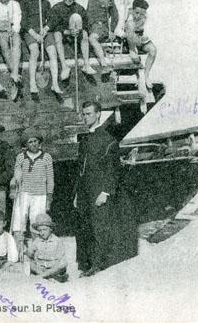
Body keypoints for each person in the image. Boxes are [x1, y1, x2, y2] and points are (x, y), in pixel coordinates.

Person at [75, 100, 124, 276]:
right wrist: (76, 193)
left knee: (99, 227)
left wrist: (105, 192)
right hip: (84, 191)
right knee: (84, 227)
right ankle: (86, 265)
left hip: (99, 191)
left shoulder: (107, 140)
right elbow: (81, 169)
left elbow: (114, 169)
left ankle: (98, 265)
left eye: (88, 113)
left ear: (98, 115)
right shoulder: (85, 139)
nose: (85, 117)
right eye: (84, 114)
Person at [10, 131, 54, 254]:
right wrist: (16, 179)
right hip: (24, 193)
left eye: (35, 141)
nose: (33, 144)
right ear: (26, 144)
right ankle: (18, 250)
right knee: (19, 220)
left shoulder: (46, 157)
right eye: (30, 142)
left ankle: (37, 251)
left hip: (40, 194)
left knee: (37, 221)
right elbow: (17, 173)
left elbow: (50, 179)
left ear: (39, 142)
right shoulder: (21, 157)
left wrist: (49, 198)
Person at [20, 0, 63, 99]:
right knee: (35, 51)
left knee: (52, 51)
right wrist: (34, 34)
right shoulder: (24, 3)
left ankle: (54, 83)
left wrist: (46, 29)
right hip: (31, 31)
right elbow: (23, 22)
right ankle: (33, 83)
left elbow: (52, 19)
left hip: (43, 31)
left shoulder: (45, 3)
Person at [47, 0, 89, 81]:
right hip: (64, 35)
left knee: (85, 34)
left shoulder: (80, 8)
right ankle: (64, 66)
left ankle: (86, 65)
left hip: (77, 35)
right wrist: (67, 32)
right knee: (57, 34)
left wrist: (79, 30)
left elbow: (86, 24)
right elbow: (54, 25)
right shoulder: (56, 8)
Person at [85, 0, 116, 74]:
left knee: (92, 38)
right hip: (91, 27)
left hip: (101, 27)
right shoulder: (90, 0)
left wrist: (112, 30)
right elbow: (87, 15)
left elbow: (115, 16)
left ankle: (104, 65)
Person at [124, 0, 156, 89]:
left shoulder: (146, 17)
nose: (138, 16)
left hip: (140, 39)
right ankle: (132, 50)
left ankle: (146, 76)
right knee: (130, 25)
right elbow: (119, 29)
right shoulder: (127, 16)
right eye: (136, 13)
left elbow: (148, 30)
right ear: (132, 10)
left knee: (153, 50)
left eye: (141, 14)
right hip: (129, 41)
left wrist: (145, 37)